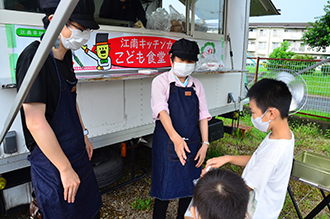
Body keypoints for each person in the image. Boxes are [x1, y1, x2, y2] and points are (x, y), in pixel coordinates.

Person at [15, 0, 102, 218]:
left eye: (87, 30)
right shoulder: (34, 58)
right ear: (55, 21)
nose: (84, 35)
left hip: (75, 150)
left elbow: (71, 100)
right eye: (80, 29)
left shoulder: (66, 57)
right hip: (51, 160)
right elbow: (35, 121)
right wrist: (64, 169)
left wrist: (84, 135)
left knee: (89, 208)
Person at [204, 78, 295, 219]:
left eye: (253, 112)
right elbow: (258, 160)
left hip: (257, 213)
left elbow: (242, 189)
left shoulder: (274, 153)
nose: (252, 117)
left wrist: (209, 183)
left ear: (271, 113)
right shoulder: (281, 135)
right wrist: (228, 158)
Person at [150, 38, 211, 219]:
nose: (185, 65)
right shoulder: (160, 82)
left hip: (192, 143)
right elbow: (162, 112)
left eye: (190, 61)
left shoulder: (196, 85)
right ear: (171, 58)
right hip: (167, 144)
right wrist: (175, 138)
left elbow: (203, 115)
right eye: (181, 60)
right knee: (164, 190)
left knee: (188, 189)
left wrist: (205, 143)